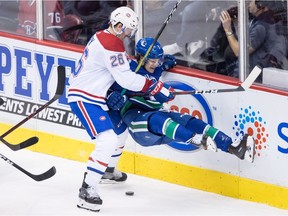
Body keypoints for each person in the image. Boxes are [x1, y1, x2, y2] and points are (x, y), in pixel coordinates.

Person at [104, 37, 256, 185]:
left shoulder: (156, 67)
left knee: (190, 122)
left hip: (156, 119)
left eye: (158, 60)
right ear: (140, 58)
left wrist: (166, 64)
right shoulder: (127, 71)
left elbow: (161, 68)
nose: (156, 64)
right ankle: (193, 139)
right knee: (157, 119)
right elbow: (105, 87)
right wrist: (110, 95)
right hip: (138, 123)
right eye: (152, 60)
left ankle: (232, 147)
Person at [67, 7, 175, 212]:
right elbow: (126, 78)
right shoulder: (111, 42)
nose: (129, 35)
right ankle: (87, 189)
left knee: (119, 132)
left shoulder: (104, 37)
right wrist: (154, 86)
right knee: (107, 139)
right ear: (118, 26)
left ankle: (107, 170)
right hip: (84, 97)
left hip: (93, 96)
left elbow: (125, 66)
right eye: (128, 31)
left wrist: (158, 67)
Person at [220, 0, 287, 81]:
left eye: (250, 1)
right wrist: (236, 24)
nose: (248, 4)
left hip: (251, 78)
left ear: (260, 4)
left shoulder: (261, 26)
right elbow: (244, 41)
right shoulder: (264, 20)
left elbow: (239, 52)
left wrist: (228, 29)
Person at [16, 0, 82, 43]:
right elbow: (21, 27)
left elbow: (55, 36)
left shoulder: (51, 2)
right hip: (27, 46)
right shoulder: (23, 2)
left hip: (48, 48)